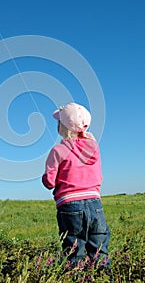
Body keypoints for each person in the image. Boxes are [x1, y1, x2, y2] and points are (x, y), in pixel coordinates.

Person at [42, 102, 111, 269]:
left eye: (59, 121)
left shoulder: (58, 150)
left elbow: (49, 182)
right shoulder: (94, 147)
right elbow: (99, 176)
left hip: (69, 206)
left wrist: (47, 178)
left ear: (64, 126)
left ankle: (76, 276)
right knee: (99, 248)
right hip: (95, 203)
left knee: (74, 250)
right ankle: (104, 277)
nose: (57, 124)